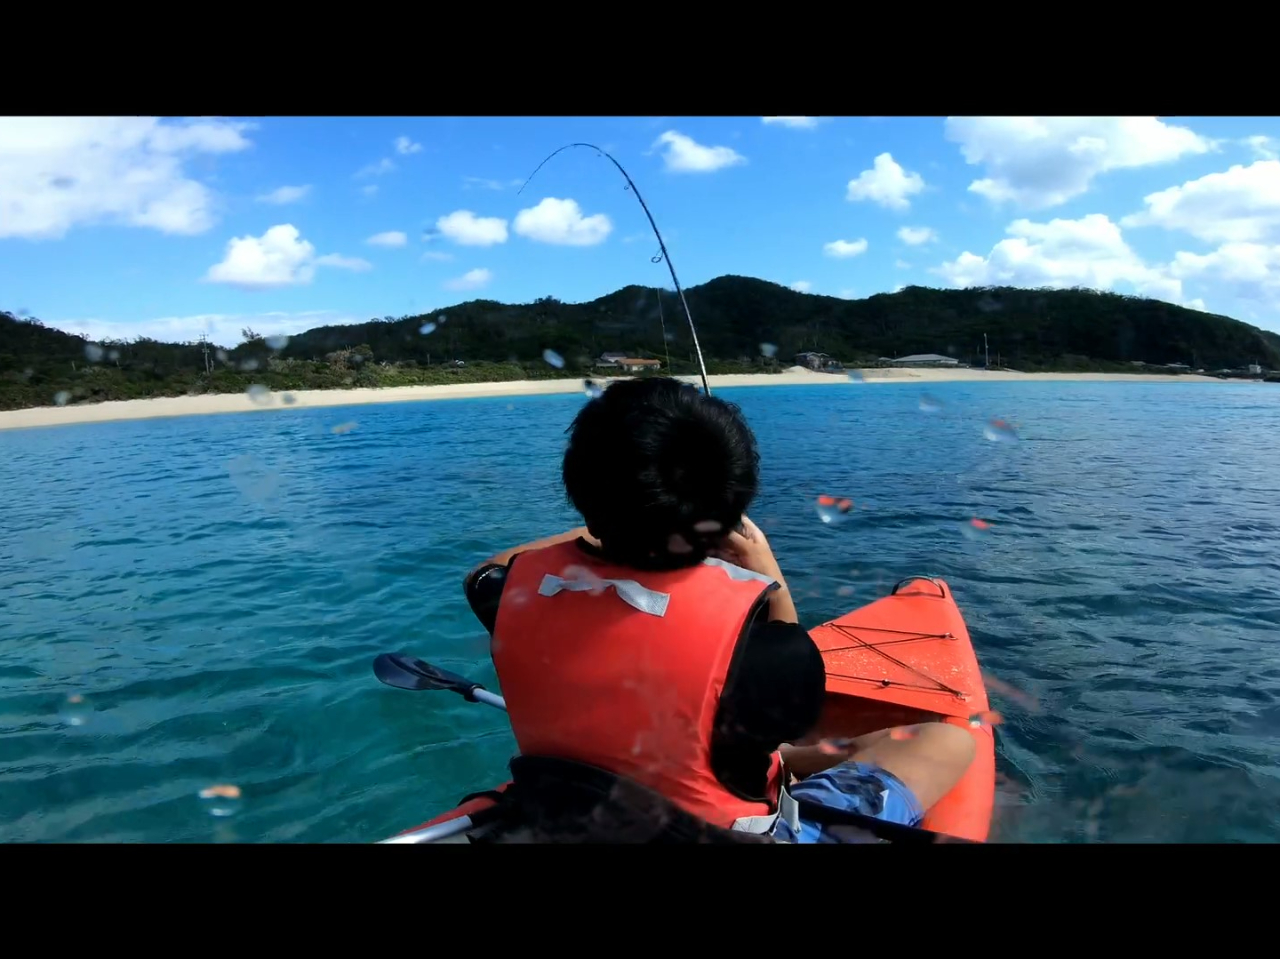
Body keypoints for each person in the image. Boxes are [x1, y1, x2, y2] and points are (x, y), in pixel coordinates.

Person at [462, 376, 975, 842]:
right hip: (721, 832)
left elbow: (483, 571)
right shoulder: (757, 651)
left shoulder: (507, 593)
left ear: (581, 488)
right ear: (733, 501)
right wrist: (765, 571)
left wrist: (614, 522)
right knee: (947, 741)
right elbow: (791, 714)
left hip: (572, 815)